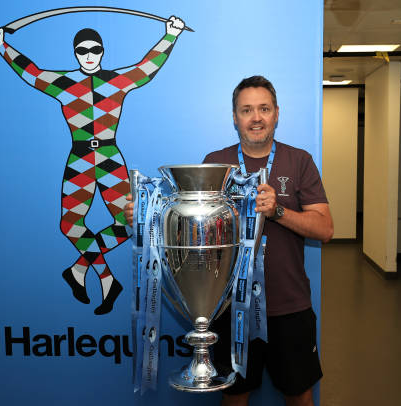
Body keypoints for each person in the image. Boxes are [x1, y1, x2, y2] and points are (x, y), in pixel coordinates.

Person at [125, 75, 333, 405]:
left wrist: (277, 211)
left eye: (264, 108)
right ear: (235, 116)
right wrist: (147, 215)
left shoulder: (300, 161)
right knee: (234, 397)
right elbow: (191, 225)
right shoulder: (216, 164)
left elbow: (325, 229)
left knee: (300, 397)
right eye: (247, 110)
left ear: (277, 113)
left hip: (290, 306)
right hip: (231, 306)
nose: (256, 118)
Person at [0, 16, 185, 315]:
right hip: (80, 157)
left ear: (103, 51)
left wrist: (170, 35)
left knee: (129, 222)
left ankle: (80, 269)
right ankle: (106, 279)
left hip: (108, 156)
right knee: (70, 224)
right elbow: (32, 73)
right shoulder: (63, 84)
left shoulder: (116, 81)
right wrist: (2, 44)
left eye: (95, 49)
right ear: (75, 53)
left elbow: (146, 69)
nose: (89, 55)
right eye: (82, 50)